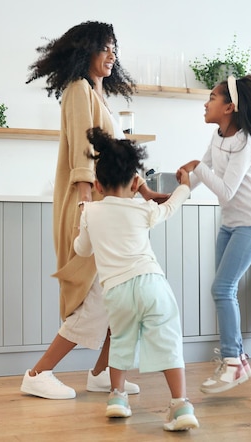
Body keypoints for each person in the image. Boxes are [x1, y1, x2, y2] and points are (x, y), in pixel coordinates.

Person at [20, 21, 168, 400]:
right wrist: (86, 204)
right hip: (90, 206)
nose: (111, 54)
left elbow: (117, 157)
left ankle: (102, 372)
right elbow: (83, 151)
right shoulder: (77, 91)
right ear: (86, 51)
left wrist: (146, 191)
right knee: (95, 297)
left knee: (118, 294)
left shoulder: (100, 98)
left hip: (109, 207)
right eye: (104, 47)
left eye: (114, 48)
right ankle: (38, 373)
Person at [73, 127, 199, 432]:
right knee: (168, 342)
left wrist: (82, 213)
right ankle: (180, 403)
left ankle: (117, 397)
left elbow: (81, 249)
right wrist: (184, 187)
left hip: (116, 291)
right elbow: (169, 207)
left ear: (98, 185)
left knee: (121, 340)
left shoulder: (90, 211)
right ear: (134, 183)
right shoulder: (142, 209)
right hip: (152, 285)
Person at [177, 75, 251, 394]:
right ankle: (238, 361)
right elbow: (198, 177)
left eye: (213, 98)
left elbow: (226, 190)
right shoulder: (219, 136)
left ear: (230, 107)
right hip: (231, 223)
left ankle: (231, 362)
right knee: (224, 290)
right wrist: (164, 195)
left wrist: (194, 167)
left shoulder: (244, 141)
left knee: (222, 288)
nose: (206, 103)